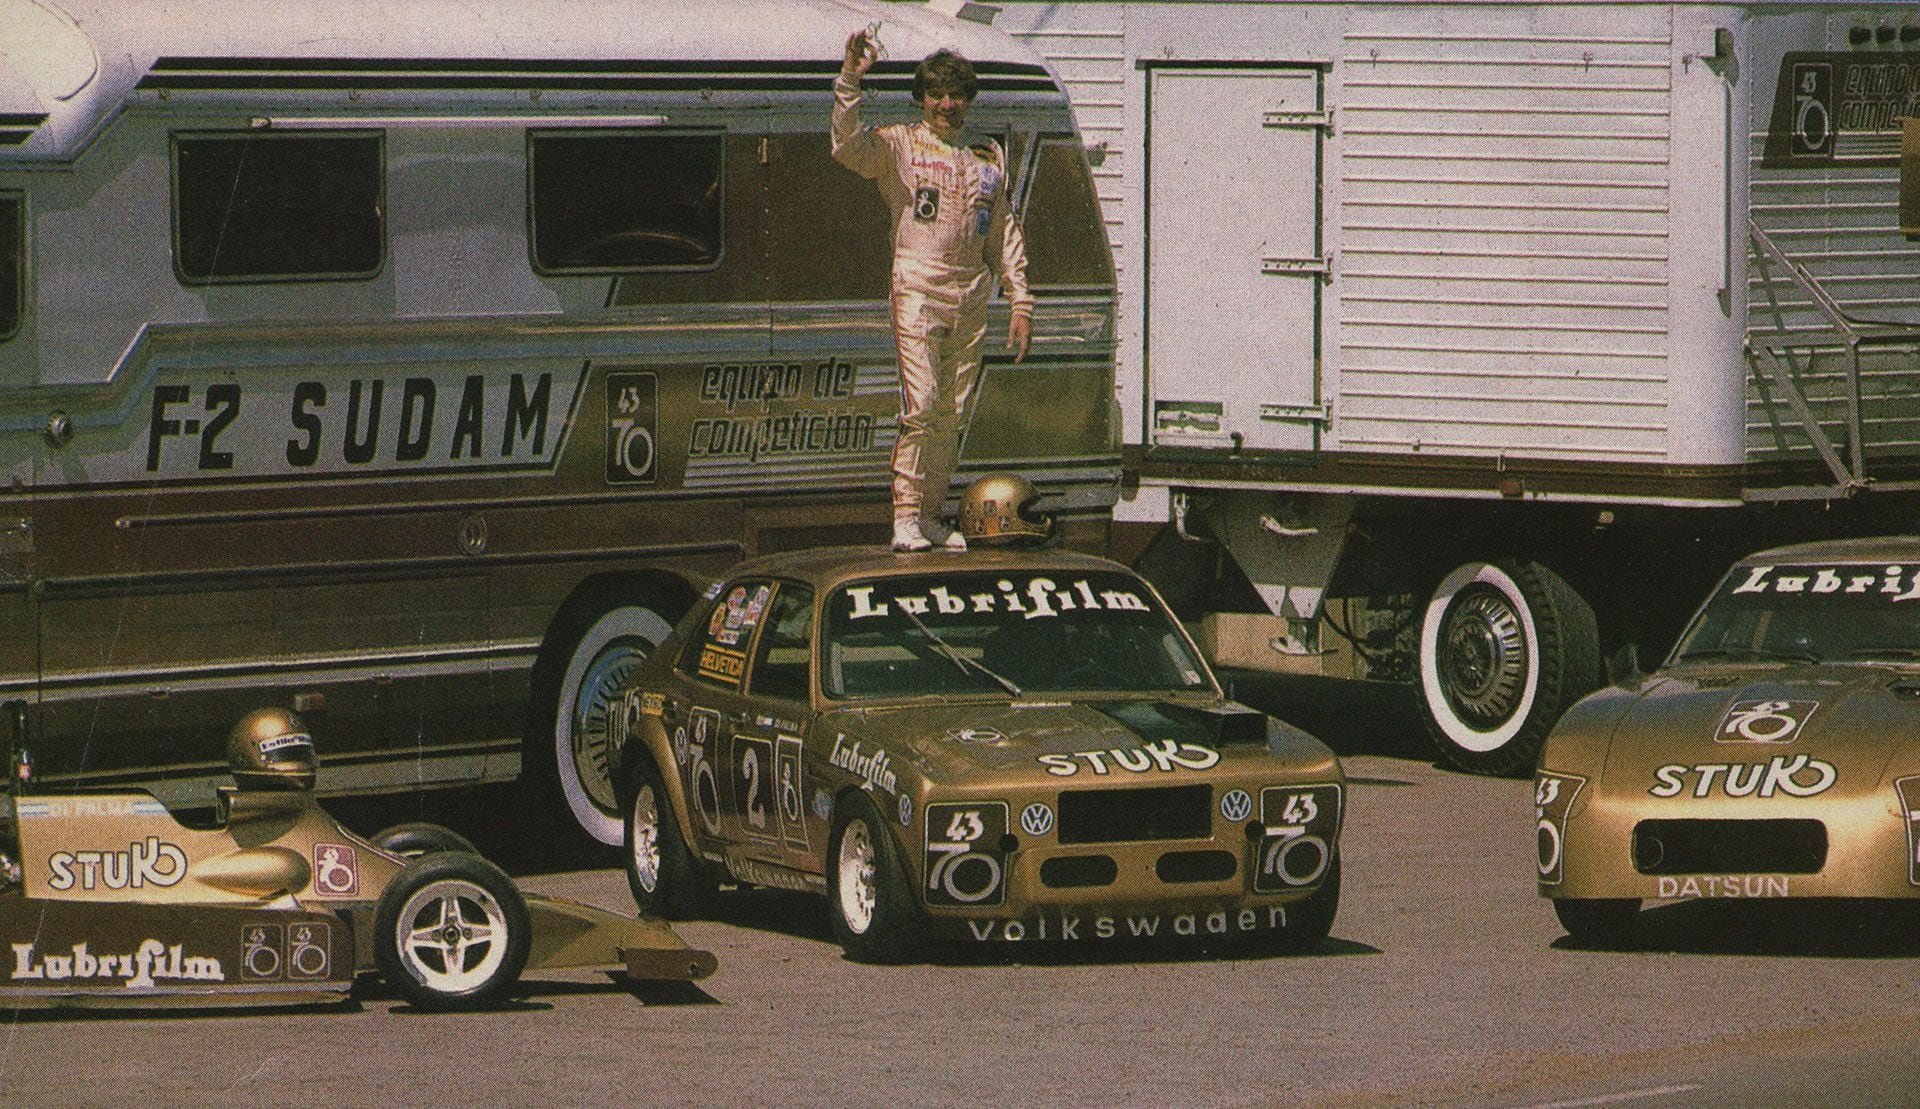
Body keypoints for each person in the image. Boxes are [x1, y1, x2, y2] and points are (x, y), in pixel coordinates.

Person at [832, 28, 1032, 552]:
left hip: (971, 293)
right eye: (937, 94)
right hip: (918, 283)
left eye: (957, 95)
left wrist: (1021, 299)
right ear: (921, 98)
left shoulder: (984, 162)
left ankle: (929, 516)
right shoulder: (900, 143)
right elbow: (847, 146)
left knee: (951, 413)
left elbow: (1003, 232)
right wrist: (851, 77)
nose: (947, 104)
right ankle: (903, 517)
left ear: (968, 101)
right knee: (921, 405)